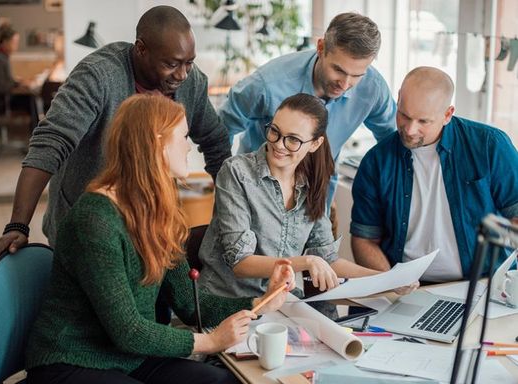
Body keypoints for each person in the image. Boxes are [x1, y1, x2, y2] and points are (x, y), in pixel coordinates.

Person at [24, 93, 294, 384]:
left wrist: (262, 301)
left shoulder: (155, 209)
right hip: (70, 364)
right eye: (183, 136)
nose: (189, 146)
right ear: (157, 143)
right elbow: (128, 330)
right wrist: (210, 341)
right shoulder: (95, 220)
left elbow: (189, 303)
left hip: (126, 355)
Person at [0, 5, 230, 261]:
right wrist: (18, 224)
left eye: (189, 63)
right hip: (87, 226)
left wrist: (230, 214)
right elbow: (51, 143)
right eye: (171, 64)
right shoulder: (98, 76)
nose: (182, 74)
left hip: (149, 223)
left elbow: (216, 143)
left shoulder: (191, 82)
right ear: (141, 49)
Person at [198, 93, 414, 316]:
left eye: (293, 139)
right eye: (275, 131)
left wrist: (387, 280)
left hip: (279, 305)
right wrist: (307, 261)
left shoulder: (311, 183)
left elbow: (328, 259)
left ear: (315, 144)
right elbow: (240, 263)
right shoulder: (237, 172)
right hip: (226, 304)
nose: (279, 145)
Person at [350, 67, 518, 283]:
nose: (410, 130)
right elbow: (364, 239)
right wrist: (391, 283)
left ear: (448, 114)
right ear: (399, 98)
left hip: (484, 284)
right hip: (408, 288)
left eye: (423, 121)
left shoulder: (489, 145)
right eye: (404, 115)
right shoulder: (376, 162)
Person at [219, 12, 396, 208]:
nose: (345, 84)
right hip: (255, 195)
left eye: (356, 75)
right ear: (320, 48)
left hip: (317, 199)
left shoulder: (373, 88)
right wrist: (227, 188)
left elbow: (392, 139)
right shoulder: (268, 83)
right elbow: (221, 129)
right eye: (338, 70)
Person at [0, 25, 38, 129]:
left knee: (31, 97)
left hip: (2, 99)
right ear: (5, 42)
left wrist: (16, 81)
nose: (16, 46)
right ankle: (36, 133)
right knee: (31, 99)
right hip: (1, 102)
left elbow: (3, 81)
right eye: (14, 42)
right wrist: (17, 83)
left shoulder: (2, 57)